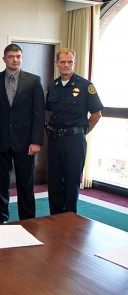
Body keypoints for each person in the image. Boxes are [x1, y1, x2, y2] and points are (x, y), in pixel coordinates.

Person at [0, 44, 45, 223]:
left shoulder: (33, 80)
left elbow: (38, 112)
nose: (15, 59)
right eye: (11, 56)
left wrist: (36, 141)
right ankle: (2, 218)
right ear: (4, 59)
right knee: (2, 185)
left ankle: (27, 219)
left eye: (18, 56)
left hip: (25, 143)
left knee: (25, 184)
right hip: (2, 142)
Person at [45, 48, 103, 214]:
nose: (66, 65)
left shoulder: (86, 86)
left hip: (75, 141)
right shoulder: (53, 86)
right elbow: (50, 110)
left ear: (74, 63)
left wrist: (82, 132)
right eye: (62, 62)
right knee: (54, 181)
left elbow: (96, 114)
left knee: (71, 182)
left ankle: (70, 219)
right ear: (57, 63)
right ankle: (55, 217)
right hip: (55, 140)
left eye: (70, 62)